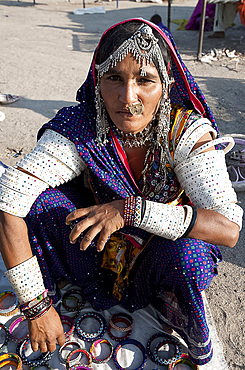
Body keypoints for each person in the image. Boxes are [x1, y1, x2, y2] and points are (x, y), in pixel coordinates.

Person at [0, 19, 243, 366]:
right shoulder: (83, 124)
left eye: (145, 80)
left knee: (190, 254)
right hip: (95, 250)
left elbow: (228, 229)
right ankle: (74, 286)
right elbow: (9, 197)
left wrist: (131, 210)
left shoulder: (185, 133)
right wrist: (36, 307)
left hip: (156, 257)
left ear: (166, 85)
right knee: (40, 204)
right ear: (97, 81)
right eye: (113, 78)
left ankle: (168, 305)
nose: (127, 98)